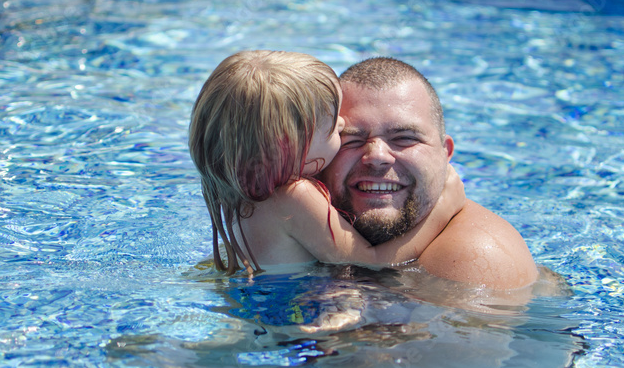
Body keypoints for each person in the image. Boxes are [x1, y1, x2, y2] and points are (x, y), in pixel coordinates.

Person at [188, 50, 464, 276]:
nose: (343, 122)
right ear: (289, 146)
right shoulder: (297, 196)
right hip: (290, 315)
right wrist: (443, 209)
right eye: (335, 127)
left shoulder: (243, 188)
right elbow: (371, 261)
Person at [321, 57, 539, 293]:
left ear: (446, 153)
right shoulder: (295, 213)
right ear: (316, 154)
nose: (377, 155)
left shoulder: (471, 256)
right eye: (351, 140)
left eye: (404, 138)